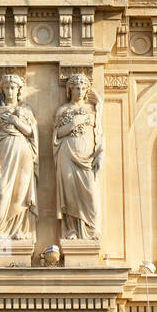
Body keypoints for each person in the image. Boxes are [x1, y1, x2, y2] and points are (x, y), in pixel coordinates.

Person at [0, 75, 38, 241]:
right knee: (1, 191)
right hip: (4, 152)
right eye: (7, 88)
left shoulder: (26, 110)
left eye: (13, 87)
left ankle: (18, 230)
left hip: (23, 151)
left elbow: (30, 132)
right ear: (2, 90)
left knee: (21, 192)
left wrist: (15, 120)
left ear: (19, 90)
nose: (10, 91)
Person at [53, 72, 103, 241]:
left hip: (87, 158)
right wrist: (76, 122)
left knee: (91, 195)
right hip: (67, 154)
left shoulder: (92, 110)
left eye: (82, 88)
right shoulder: (63, 110)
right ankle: (71, 230)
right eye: (76, 88)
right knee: (70, 194)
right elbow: (57, 133)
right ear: (70, 90)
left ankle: (91, 231)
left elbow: (99, 134)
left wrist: (100, 153)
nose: (80, 91)